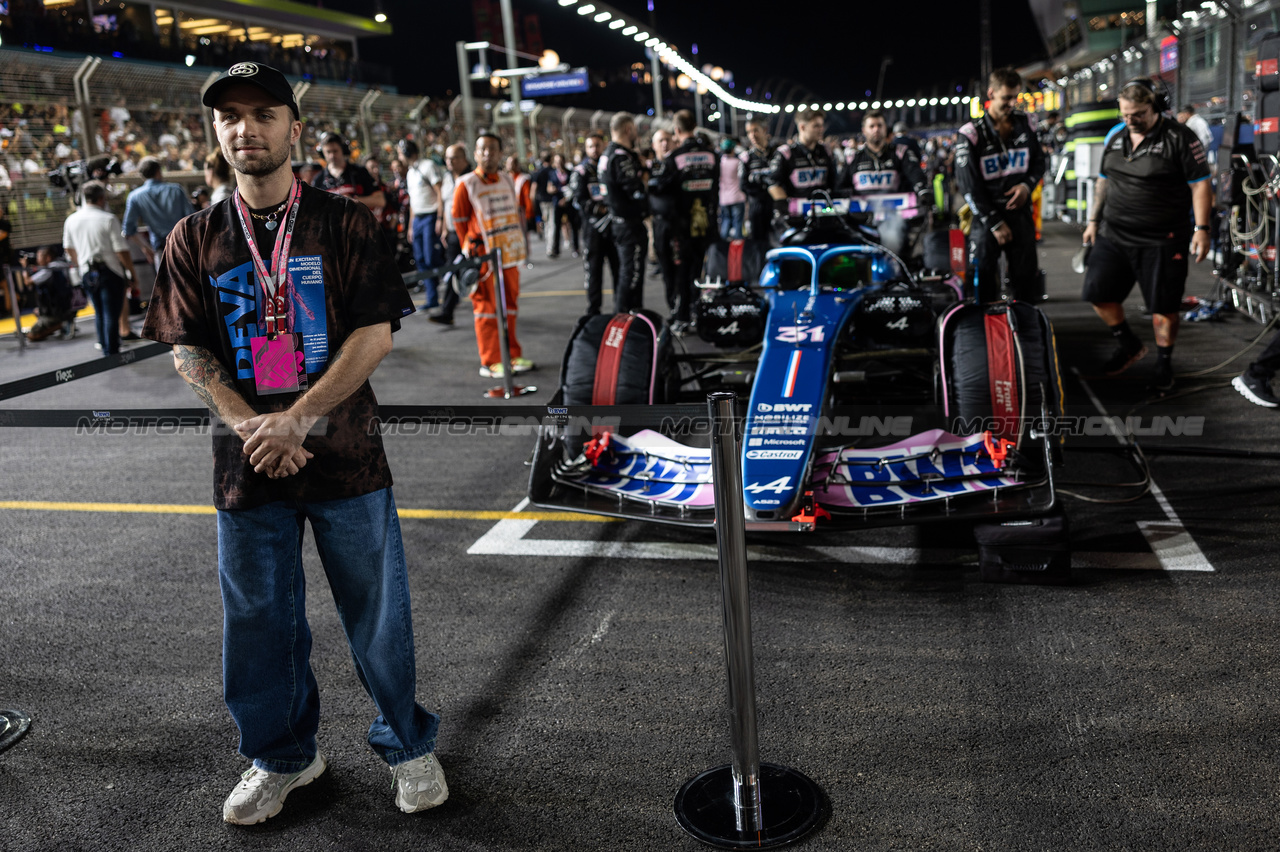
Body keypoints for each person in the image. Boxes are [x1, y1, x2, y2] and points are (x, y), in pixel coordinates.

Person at [142, 62, 446, 825]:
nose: (247, 128)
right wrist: (259, 426)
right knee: (257, 622)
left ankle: (408, 746)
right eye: (231, 116)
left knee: (378, 613)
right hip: (248, 465)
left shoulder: (346, 223)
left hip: (346, 455)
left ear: (293, 128)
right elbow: (187, 351)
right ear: (215, 131)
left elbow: (373, 334)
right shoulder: (193, 237)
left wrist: (299, 418)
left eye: (264, 114)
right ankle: (282, 757)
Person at [1082, 78, 1212, 392]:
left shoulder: (1179, 138)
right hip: (1115, 234)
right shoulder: (1116, 136)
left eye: (1137, 114)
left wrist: (1202, 229)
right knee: (1097, 292)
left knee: (1163, 307)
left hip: (1163, 238)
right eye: (1125, 114)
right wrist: (1092, 222)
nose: (1131, 121)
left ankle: (1163, 365)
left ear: (1155, 108)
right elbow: (1104, 181)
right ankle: (1128, 344)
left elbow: (1201, 184)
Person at [955, 67, 1047, 303]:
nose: (1012, 103)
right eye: (1006, 98)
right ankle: (988, 332)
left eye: (1015, 97)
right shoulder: (971, 133)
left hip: (1021, 214)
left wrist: (1026, 186)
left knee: (1026, 281)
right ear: (991, 94)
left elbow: (1039, 162)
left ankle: (1025, 329)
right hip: (987, 218)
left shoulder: (1027, 122)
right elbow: (968, 186)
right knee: (983, 282)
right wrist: (995, 223)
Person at [452, 131, 534, 378]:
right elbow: (459, 221)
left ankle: (511, 355)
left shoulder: (509, 180)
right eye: (482, 149)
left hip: (508, 256)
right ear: (475, 154)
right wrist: (472, 252)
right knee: (487, 310)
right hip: (483, 260)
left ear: (500, 153)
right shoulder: (466, 184)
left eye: (492, 149)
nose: (487, 154)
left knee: (509, 306)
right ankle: (490, 361)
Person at [651, 110, 719, 331]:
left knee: (683, 270)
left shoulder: (675, 157)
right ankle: (698, 310)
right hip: (706, 221)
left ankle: (682, 316)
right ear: (696, 126)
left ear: (677, 130)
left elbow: (661, 188)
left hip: (682, 225)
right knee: (700, 268)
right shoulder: (711, 154)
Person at [63, 180, 137, 356]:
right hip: (110, 271)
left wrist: (80, 263)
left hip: (87, 272)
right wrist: (132, 274)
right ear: (102, 198)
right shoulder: (108, 219)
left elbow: (68, 247)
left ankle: (104, 346)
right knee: (112, 312)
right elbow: (121, 251)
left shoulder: (71, 220)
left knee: (99, 311)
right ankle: (112, 351)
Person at [122, 155, 190, 339]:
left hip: (159, 249)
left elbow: (128, 230)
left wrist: (145, 248)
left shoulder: (135, 196)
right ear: (159, 171)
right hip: (183, 246)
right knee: (188, 287)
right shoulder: (176, 190)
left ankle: (175, 333)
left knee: (167, 290)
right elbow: (191, 218)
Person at [600, 112, 650, 313]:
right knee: (632, 274)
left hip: (618, 222)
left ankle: (626, 318)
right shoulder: (621, 157)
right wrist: (644, 175)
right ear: (628, 129)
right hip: (629, 224)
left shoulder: (607, 155)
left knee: (627, 272)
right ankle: (626, 320)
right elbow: (636, 190)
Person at [568, 130, 617, 316]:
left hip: (612, 228)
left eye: (597, 145)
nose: (594, 149)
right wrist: (600, 209)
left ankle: (620, 308)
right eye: (590, 146)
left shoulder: (610, 167)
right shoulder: (581, 171)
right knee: (594, 272)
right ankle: (593, 310)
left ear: (604, 145)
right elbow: (578, 199)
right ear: (586, 149)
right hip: (592, 230)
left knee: (618, 269)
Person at [398, 138, 445, 310]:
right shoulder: (410, 172)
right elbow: (413, 202)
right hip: (417, 219)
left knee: (430, 255)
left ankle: (448, 276)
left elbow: (439, 193)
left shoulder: (428, 166)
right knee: (420, 258)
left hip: (430, 216)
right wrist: (411, 226)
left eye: (399, 152)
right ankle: (432, 298)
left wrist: (440, 218)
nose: (399, 156)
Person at [845, 110, 929, 202]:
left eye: (879, 125)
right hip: (862, 214)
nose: (876, 129)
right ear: (864, 130)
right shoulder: (853, 157)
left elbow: (915, 173)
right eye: (872, 126)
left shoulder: (900, 153)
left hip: (896, 213)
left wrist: (922, 191)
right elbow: (841, 187)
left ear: (885, 128)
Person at [431, 142, 471, 327]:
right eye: (447, 158)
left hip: (471, 234)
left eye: (454, 157)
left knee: (468, 271)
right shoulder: (447, 178)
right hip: (453, 234)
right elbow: (448, 205)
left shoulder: (472, 178)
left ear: (464, 159)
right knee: (452, 270)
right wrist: (444, 226)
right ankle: (447, 311)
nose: (449, 161)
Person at [767, 107, 837, 213]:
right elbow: (773, 184)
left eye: (821, 125)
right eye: (816, 126)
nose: (821, 129)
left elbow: (834, 183)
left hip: (823, 212)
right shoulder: (786, 153)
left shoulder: (826, 151)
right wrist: (786, 209)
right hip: (797, 214)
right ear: (802, 127)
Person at [311, 132, 386, 211]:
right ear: (322, 153)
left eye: (335, 151)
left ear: (343, 150)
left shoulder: (360, 172)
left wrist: (351, 201)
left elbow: (380, 200)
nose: (332, 155)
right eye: (328, 152)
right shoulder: (318, 180)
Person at [647, 127, 679, 299]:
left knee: (682, 269)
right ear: (654, 145)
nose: (665, 144)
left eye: (668, 139)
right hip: (659, 224)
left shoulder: (677, 164)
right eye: (661, 141)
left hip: (679, 224)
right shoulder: (648, 167)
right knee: (666, 268)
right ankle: (672, 304)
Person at [24, 246, 77, 341]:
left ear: (48, 257)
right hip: (71, 306)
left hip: (56, 311)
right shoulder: (62, 264)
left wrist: (25, 267)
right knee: (37, 310)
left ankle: (61, 325)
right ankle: (64, 322)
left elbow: (28, 282)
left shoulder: (49, 270)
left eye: (39, 257)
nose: (37, 260)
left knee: (31, 336)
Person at [741, 119, 776, 244]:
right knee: (759, 245)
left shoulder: (777, 153)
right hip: (757, 207)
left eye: (755, 130)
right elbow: (743, 184)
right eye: (749, 132)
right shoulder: (746, 157)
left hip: (777, 206)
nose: (752, 135)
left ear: (765, 130)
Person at [718, 137, 746, 240]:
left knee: (726, 221)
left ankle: (723, 248)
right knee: (738, 223)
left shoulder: (720, 163)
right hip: (737, 197)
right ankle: (738, 249)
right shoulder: (737, 162)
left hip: (724, 198)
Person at [506, 154, 536, 237]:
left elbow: (527, 197)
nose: (508, 166)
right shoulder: (505, 179)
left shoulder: (523, 179)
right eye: (507, 163)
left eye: (510, 163)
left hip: (520, 212)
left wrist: (529, 213)